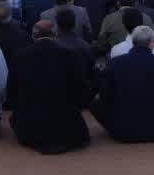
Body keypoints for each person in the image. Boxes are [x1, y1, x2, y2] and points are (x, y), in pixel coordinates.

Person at [7, 20, 91, 154]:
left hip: (31, 127)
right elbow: (81, 90)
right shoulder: (70, 55)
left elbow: (12, 92)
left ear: (33, 36)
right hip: (65, 124)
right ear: (55, 34)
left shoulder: (19, 56)